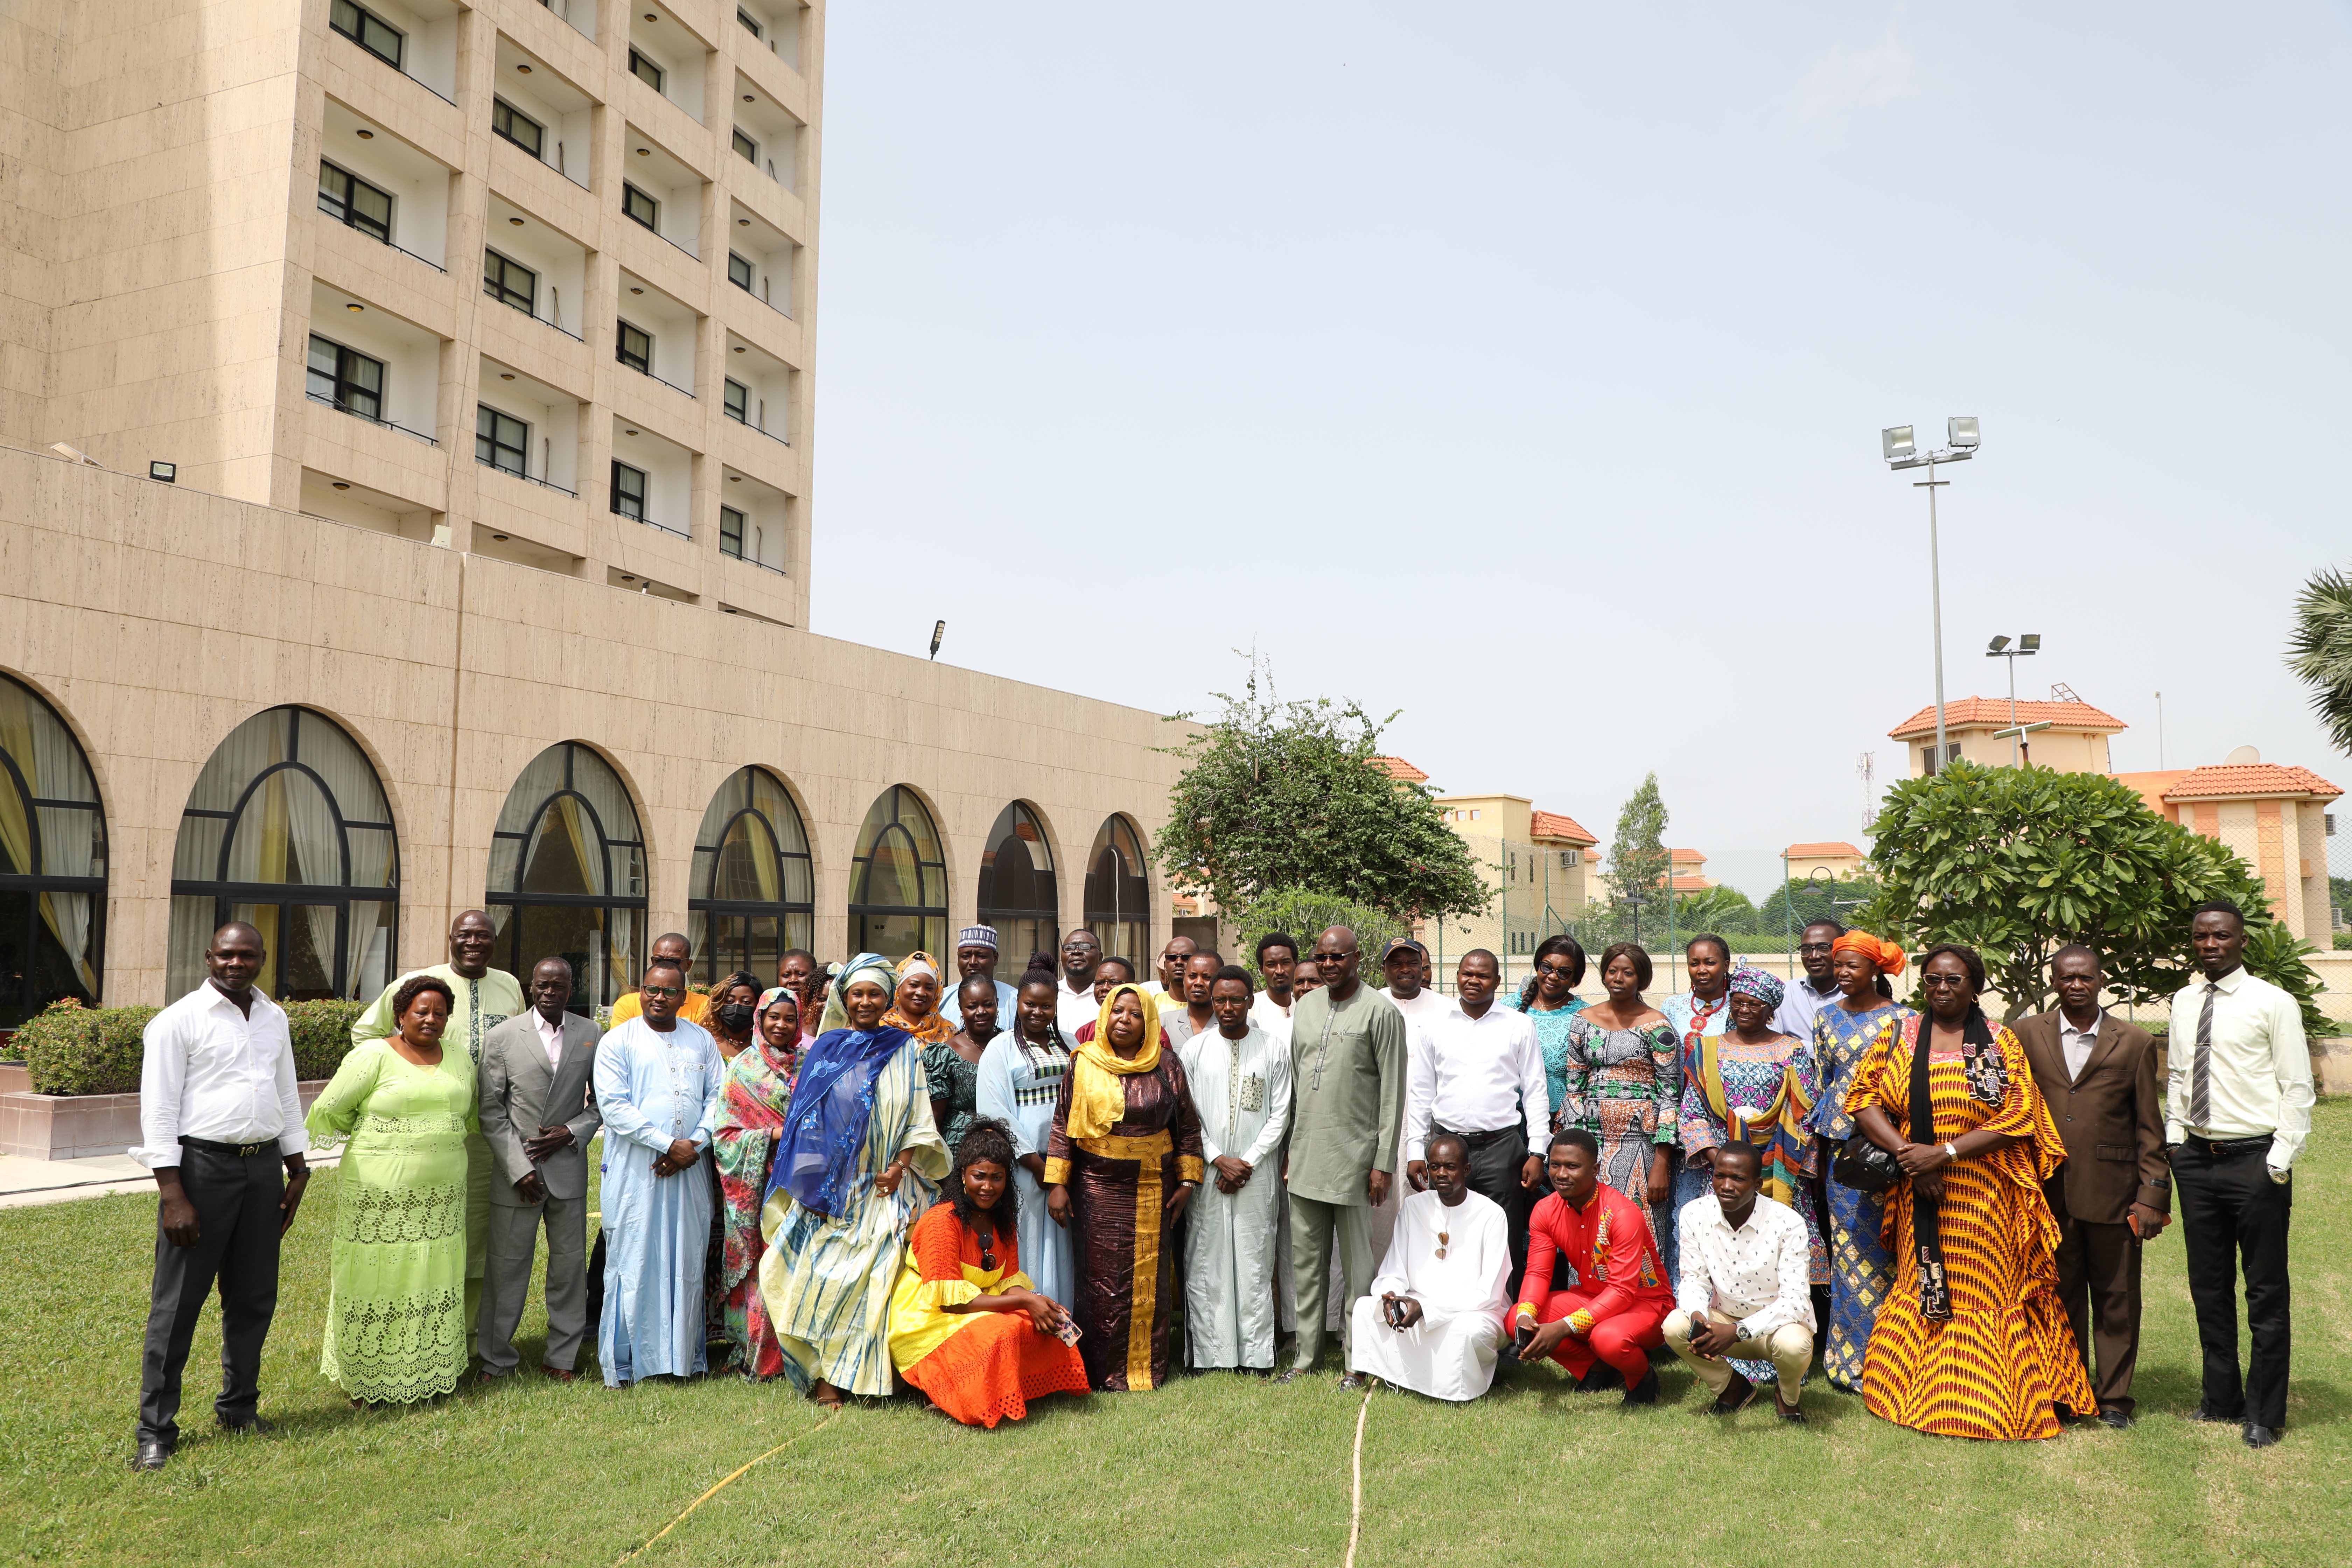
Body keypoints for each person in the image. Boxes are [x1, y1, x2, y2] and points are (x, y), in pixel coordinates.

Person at [1843, 943, 2095, 1441]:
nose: (1941, 988)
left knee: (1987, 1290)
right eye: (1933, 979)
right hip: (1920, 1192)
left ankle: (1991, 1405)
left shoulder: (1998, 1041)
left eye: (1953, 980)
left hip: (1985, 1196)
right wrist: (1912, 1157)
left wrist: (1947, 1154)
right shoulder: (1900, 1034)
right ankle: (1922, 1399)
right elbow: (1863, 1098)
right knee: (1926, 1285)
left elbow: (2021, 1115)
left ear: (1975, 986)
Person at [128, 922, 312, 1472]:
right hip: (200, 1171)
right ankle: (155, 1431)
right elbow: (158, 1110)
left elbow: (285, 1090)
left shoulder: (274, 1017)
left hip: (262, 1174)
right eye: (226, 955)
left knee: (254, 1296)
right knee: (178, 1304)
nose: (237, 963)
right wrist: (171, 1193)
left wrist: (297, 1165)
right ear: (209, 957)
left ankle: (239, 1408)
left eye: (247, 955)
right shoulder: (176, 1022)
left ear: (261, 959)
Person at [761, 954, 951, 1407]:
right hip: (830, 1192)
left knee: (876, 1282)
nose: (865, 1002)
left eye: (875, 994)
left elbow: (918, 1117)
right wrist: (808, 1188)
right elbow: (806, 1122)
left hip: (884, 1187)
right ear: (845, 999)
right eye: (857, 994)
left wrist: (901, 1166)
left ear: (887, 999)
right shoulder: (826, 1050)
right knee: (817, 1279)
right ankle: (826, 1379)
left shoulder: (904, 1049)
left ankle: (869, 1379)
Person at [2167, 900, 2312, 1449]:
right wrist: (2177, 1143)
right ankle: (2221, 1399)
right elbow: (2181, 1074)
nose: (2210, 945)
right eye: (2202, 936)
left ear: (2242, 942)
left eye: (2222, 936)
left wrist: (2279, 1159)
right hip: (2198, 1162)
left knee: (2266, 1291)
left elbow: (2297, 1086)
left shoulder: (2272, 1003)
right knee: (2208, 1288)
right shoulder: (2183, 1001)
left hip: (2255, 1162)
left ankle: (2265, 1413)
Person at [2016, 945, 2169, 1429]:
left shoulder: (2135, 1042)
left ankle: (2115, 1399)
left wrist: (2152, 1195)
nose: (2076, 985)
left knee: (2116, 1297)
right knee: (2058, 1296)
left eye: (2085, 977)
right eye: (2066, 978)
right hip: (2047, 1194)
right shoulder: (2025, 1034)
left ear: (2101, 981)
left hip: (2114, 1191)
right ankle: (2068, 1389)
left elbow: (2150, 1127)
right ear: (2054, 981)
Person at [305, 974, 475, 1405]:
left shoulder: (459, 1057)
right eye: (422, 1011)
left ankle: (424, 1371)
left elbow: (467, 1115)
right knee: (377, 1278)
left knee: (431, 1276)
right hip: (379, 1193)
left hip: (443, 1195)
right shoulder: (372, 1055)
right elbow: (329, 1110)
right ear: (401, 1015)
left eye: (440, 1012)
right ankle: (368, 1378)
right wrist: (382, 1137)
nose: (431, 1019)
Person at [351, 909, 522, 1336]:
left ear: (494, 942)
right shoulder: (420, 983)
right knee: (418, 1235)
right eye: (465, 935)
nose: (473, 943)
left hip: (489, 1135)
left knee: (477, 1237)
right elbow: (365, 1034)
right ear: (451, 937)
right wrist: (405, 1074)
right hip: (425, 1137)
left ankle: (464, 1335)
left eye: (483, 936)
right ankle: (410, 1328)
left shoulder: (510, 986)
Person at [1043, 983, 1206, 1391]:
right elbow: (1063, 1124)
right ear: (1105, 1017)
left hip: (1154, 1184)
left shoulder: (1167, 1065)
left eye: (1135, 1014)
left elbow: (1187, 1126)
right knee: (1100, 1283)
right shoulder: (1083, 1062)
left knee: (1148, 1281)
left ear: (1148, 1021)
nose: (1125, 1020)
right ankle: (1101, 1372)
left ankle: (1144, 1370)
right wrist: (1057, 1184)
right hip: (1096, 1188)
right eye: (1118, 1012)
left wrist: (1187, 1181)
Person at [1673, 964, 1825, 1391]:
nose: (1743, 1010)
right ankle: (1728, 1356)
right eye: (1737, 1003)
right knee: (1721, 1258)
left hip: (1778, 1170)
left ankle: (1784, 1353)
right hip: (1725, 1172)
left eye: (1753, 1005)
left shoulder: (1791, 1049)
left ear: (1770, 1010)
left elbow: (1805, 1110)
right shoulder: (1705, 1049)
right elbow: (1693, 1110)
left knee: (1780, 1259)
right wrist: (1719, 1156)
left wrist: (1789, 1165)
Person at [888, 1119, 1090, 1426]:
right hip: (929, 1320)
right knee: (1002, 1333)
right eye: (979, 1176)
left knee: (1046, 1319)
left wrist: (1038, 1301)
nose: (988, 1186)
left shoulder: (1003, 1218)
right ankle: (962, 1395)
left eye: (997, 1178)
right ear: (963, 1175)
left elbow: (1008, 1283)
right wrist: (1025, 1303)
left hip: (979, 1305)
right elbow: (952, 1303)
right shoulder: (941, 1221)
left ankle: (1022, 1388)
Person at [1280, 926, 1405, 1382]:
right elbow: (1297, 1083)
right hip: (1307, 1156)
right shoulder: (1307, 1006)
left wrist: (1382, 1163)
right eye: (1322, 957)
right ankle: (1305, 1357)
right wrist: (1290, 1150)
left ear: (1358, 959)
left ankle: (1358, 1361)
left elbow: (1392, 1093)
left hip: (1356, 1162)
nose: (1329, 965)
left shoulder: (1381, 1012)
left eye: (1338, 957)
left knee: (1358, 1273)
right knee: (1307, 1266)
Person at [594, 959, 725, 1387]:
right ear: (641, 992)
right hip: (637, 1170)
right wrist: (668, 1144)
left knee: (686, 1256)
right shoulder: (618, 1041)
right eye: (652, 989)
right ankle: (628, 1362)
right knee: (635, 1257)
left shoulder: (701, 1039)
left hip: (691, 1169)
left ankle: (680, 1360)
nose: (659, 997)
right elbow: (613, 1107)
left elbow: (718, 1098)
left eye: (670, 991)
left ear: (683, 997)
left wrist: (696, 1142)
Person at [476, 956, 603, 1383]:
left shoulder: (590, 1034)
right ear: (532, 988)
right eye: (543, 985)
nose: (550, 992)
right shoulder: (502, 1037)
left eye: (559, 986)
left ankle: (562, 1358)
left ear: (572, 989)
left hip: (568, 1170)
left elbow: (601, 1104)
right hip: (518, 1177)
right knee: (507, 1269)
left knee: (568, 1270)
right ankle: (496, 1359)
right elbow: (491, 1112)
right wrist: (518, 1167)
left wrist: (571, 1131)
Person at [1805, 929, 1911, 1391]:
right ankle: (1849, 1363)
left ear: (1875, 969)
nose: (1843, 973)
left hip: (1890, 1148)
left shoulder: (1905, 1020)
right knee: (1847, 1254)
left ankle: (1895, 1359)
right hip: (1841, 1152)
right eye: (1839, 965)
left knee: (1893, 1252)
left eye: (1853, 966)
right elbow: (1822, 1081)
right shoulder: (1826, 1018)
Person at [1401, 950, 1546, 1282]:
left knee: (1504, 1238)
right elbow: (1422, 1093)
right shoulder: (1434, 1025)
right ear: (1458, 976)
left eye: (1482, 976)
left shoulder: (1519, 1025)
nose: (1473, 981)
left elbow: (1535, 1091)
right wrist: (1414, 1152)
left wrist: (1538, 1152)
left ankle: (1504, 1322)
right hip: (1445, 1146)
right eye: (1467, 974)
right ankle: (1448, 1311)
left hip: (1502, 1148)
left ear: (1497, 981)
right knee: (1444, 1232)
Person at [1180, 965, 1293, 1374]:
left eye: (1236, 1000)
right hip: (1209, 1173)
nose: (1228, 1007)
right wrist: (1217, 1159)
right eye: (1220, 1000)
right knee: (1206, 1260)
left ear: (1250, 1001)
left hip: (1256, 1172)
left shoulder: (1273, 1048)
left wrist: (1246, 1161)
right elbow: (1188, 1116)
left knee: (1254, 1259)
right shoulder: (1194, 1051)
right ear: (1212, 1002)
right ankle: (1213, 1356)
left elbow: (1280, 1113)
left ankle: (1257, 1355)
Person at [1349, 1133, 1513, 1401]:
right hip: (1418, 1301)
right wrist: (1391, 1296)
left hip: (1472, 1311)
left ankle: (1456, 1388)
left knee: (1467, 1332)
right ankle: (1386, 1374)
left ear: (1467, 1170)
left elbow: (1489, 1294)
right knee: (1368, 1308)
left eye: (1450, 1167)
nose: (1441, 1174)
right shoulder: (1414, 1206)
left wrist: (1428, 1310)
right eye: (1435, 1167)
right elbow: (1394, 1267)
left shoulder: (1491, 1214)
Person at [1513, 1128, 1672, 1404]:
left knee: (1607, 1338)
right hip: (1594, 1298)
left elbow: (1622, 1292)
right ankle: (1599, 1368)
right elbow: (1539, 1273)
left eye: (1573, 1166)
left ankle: (1642, 1379)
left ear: (1596, 1169)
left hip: (1647, 1304)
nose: (1561, 1174)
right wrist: (1526, 1316)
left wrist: (1563, 1327)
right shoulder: (1545, 1210)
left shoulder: (1623, 1214)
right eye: (1555, 1165)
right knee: (1516, 1318)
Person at [1663, 1141, 1814, 1423]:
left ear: (1757, 1183)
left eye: (1738, 1179)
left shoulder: (1788, 1223)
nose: (1726, 1186)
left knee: (1794, 1346)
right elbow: (1693, 1279)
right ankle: (1733, 1387)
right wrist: (1699, 1318)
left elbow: (1796, 1301)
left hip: (1776, 1329)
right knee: (1675, 1326)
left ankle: (1787, 1396)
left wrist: (1736, 1331)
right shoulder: (1694, 1214)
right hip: (1720, 1320)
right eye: (1720, 1176)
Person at [1552, 943, 1677, 1253]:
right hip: (1591, 1145)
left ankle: (1644, 1300)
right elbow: (1574, 1087)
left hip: (1640, 1144)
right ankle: (1588, 1296)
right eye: (1612, 971)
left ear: (1642, 980)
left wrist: (1661, 1162)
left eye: (1628, 973)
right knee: (1589, 1225)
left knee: (1639, 1224)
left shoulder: (1658, 1026)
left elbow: (1670, 1095)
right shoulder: (1583, 1022)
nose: (1618, 978)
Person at [710, 987, 803, 1378]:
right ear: (760, 1020)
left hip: (800, 1186)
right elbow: (726, 1135)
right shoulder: (743, 1069)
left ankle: (796, 1353)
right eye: (773, 1018)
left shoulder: (809, 1065)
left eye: (789, 1019)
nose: (781, 1025)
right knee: (762, 1270)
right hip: (757, 1187)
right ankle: (759, 1355)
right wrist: (777, 1134)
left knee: (796, 1268)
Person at [975, 970, 1078, 1306]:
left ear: (1056, 1005)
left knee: (1064, 1247)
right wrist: (1039, 1167)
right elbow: (996, 1112)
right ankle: (1030, 1325)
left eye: (1046, 1006)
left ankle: (1065, 1325)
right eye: (1029, 1004)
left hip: (1068, 1165)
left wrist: (1063, 1168)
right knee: (1028, 1243)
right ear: (1017, 1003)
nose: (1037, 1012)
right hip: (1023, 1168)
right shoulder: (1000, 1048)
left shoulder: (1072, 1044)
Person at [1507, 933, 1589, 1124]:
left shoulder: (1584, 1016)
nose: (1553, 976)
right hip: (1509, 1115)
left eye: (1564, 972)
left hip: (1560, 1118)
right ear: (1538, 967)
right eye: (1547, 968)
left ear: (1574, 980)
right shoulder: (1508, 1006)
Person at [926, 974, 997, 1152]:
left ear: (997, 1003)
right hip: (957, 1156)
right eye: (972, 1006)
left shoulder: (1010, 1046)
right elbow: (934, 1123)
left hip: (1004, 1155)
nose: (981, 1012)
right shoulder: (944, 1055)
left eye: (988, 1004)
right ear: (961, 1009)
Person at [609, 932, 714, 1027]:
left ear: (688, 965)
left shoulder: (703, 1005)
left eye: (674, 961)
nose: (665, 966)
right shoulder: (628, 1004)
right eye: (658, 960)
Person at [1772, 920, 1847, 1043]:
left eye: (1823, 948)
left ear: (1841, 950)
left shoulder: (1854, 995)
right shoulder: (1785, 993)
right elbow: (1773, 1042)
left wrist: (1798, 1044)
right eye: (1806, 949)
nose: (1814, 956)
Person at [940, 925, 1018, 1029]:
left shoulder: (1015, 1000)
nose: (973, 962)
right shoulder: (942, 999)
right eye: (966, 957)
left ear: (995, 959)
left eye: (981, 956)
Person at [884, 952, 953, 1047]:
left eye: (929, 988)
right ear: (899, 988)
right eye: (914, 985)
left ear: (936, 994)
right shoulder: (881, 1029)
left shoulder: (949, 1032)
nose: (921, 993)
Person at [1377, 938, 1447, 1030]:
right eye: (1397, 964)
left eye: (1413, 963)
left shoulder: (1445, 1007)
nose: (1405, 970)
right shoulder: (1373, 1004)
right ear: (1384, 970)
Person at [1161, 949, 1222, 1050]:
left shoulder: (1235, 1026)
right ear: (1185, 977)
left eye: (1207, 977)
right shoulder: (1163, 1024)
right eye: (1192, 976)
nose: (1198, 983)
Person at [1250, 931, 1302, 1040]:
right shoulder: (1251, 1009)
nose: (1280, 971)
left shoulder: (1304, 1005)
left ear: (1296, 965)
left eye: (1286, 963)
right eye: (1271, 965)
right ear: (1262, 970)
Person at [1056, 928, 1105, 1036]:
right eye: (1069, 948)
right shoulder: (1050, 993)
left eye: (1085, 947)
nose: (1076, 952)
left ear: (1100, 958)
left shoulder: (1108, 996)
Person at [706, 971, 763, 1063]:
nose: (737, 1006)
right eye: (730, 1001)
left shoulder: (763, 1045)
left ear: (758, 1006)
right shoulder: (706, 1041)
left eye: (746, 1002)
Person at [778, 948, 824, 1030]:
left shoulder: (823, 1013)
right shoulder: (770, 1013)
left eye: (801, 974)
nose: (793, 980)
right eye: (786, 976)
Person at [1146, 934, 1198, 999]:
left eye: (1186, 957)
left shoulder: (1211, 1005)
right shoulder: (1153, 1005)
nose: (1179, 962)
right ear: (1165, 966)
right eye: (1172, 958)